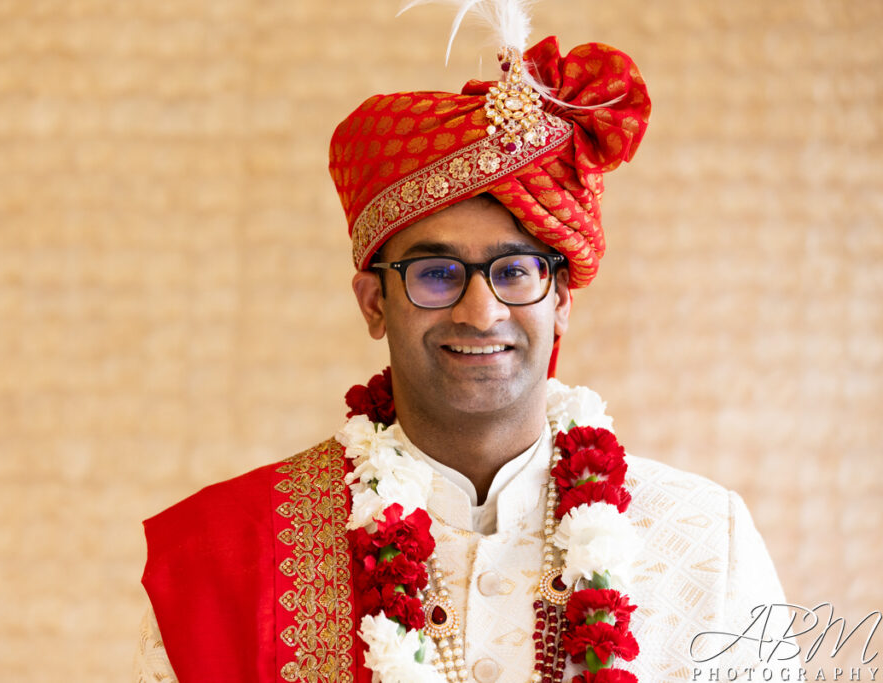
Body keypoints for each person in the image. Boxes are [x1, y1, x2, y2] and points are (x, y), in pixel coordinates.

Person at [134, 7, 791, 683]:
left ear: (560, 300)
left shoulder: (708, 542)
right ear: (373, 303)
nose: (481, 311)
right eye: (436, 273)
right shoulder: (223, 556)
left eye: (514, 271)